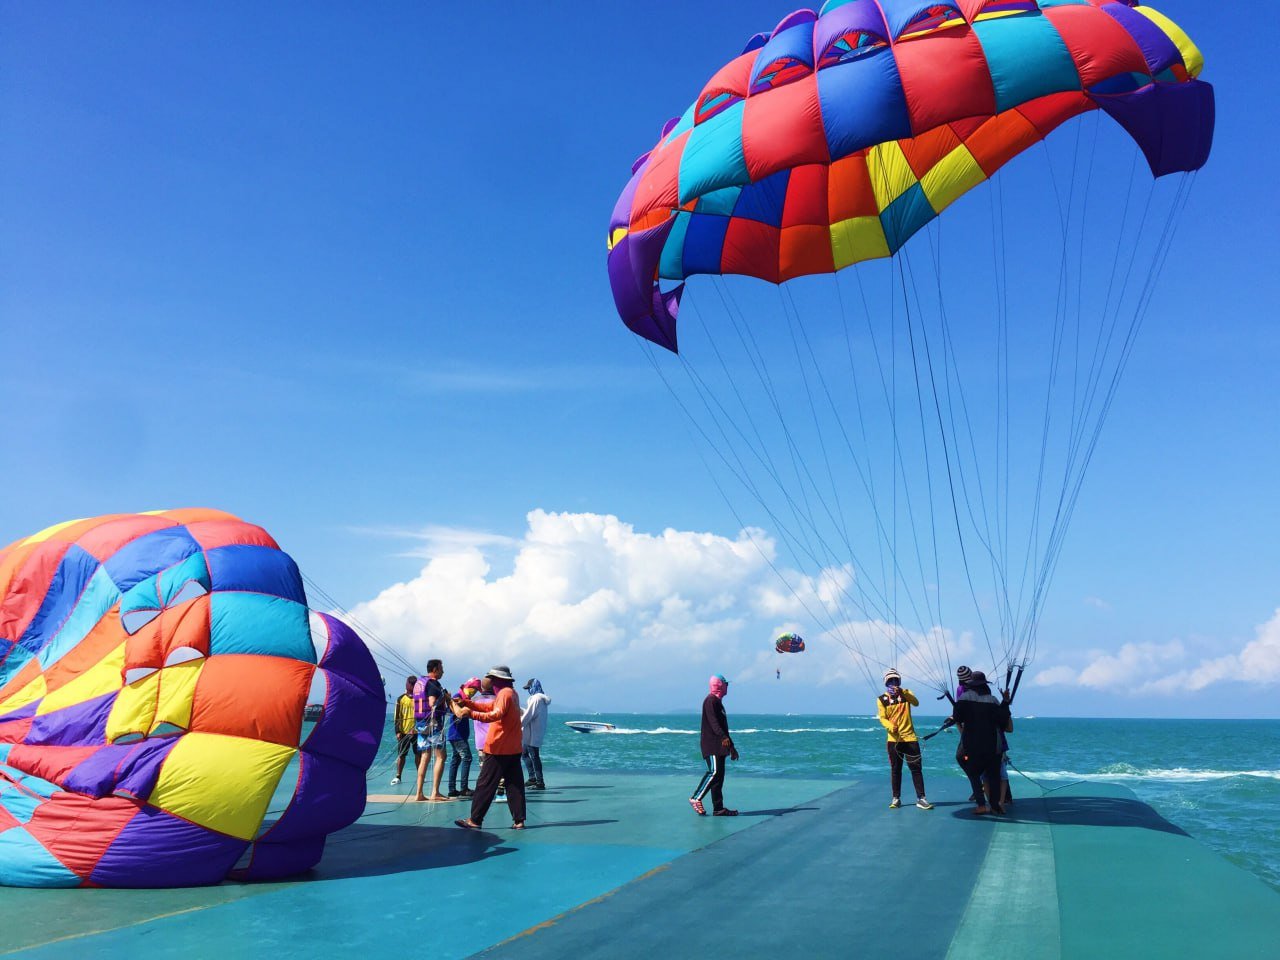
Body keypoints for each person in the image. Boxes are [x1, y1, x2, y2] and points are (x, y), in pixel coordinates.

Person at [454, 665, 526, 831]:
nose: (491, 683)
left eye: (493, 680)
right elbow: (491, 707)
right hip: (513, 747)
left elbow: (495, 714)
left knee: (485, 784)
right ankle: (519, 820)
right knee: (514, 785)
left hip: (499, 747)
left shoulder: (504, 693)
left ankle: (475, 820)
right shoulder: (512, 694)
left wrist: (470, 713)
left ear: (499, 680)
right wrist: (467, 703)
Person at [951, 671, 1013, 815]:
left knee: (973, 773)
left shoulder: (965, 698)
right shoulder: (993, 700)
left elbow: (957, 717)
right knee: (994, 775)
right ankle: (996, 805)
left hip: (973, 746)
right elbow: (1003, 720)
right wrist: (1005, 701)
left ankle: (981, 804)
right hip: (992, 746)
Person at [877, 669, 933, 810]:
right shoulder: (882, 699)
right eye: (890, 680)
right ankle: (896, 798)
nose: (893, 682)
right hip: (893, 740)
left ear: (899, 681)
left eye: (896, 680)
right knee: (896, 769)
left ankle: (921, 798)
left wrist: (904, 692)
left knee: (916, 769)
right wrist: (890, 726)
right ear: (886, 683)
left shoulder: (907, 694)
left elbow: (916, 703)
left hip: (910, 739)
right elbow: (882, 718)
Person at [690, 674, 738, 817]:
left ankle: (718, 808)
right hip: (712, 745)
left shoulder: (718, 702)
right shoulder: (710, 701)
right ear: (720, 685)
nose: (727, 687)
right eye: (726, 684)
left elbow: (724, 727)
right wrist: (723, 737)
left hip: (720, 746)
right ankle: (696, 797)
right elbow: (714, 723)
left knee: (719, 777)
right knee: (714, 772)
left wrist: (732, 747)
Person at [413, 659, 451, 802]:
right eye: (441, 668)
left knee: (424, 757)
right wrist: (445, 697)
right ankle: (435, 792)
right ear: (435, 669)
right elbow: (432, 703)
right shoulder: (433, 684)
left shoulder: (420, 683)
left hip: (421, 724)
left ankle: (419, 793)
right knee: (441, 756)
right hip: (434, 724)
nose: (443, 671)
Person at [447, 677, 480, 797]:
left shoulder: (467, 699)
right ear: (468, 686)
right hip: (457, 734)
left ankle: (452, 789)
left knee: (456, 760)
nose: (475, 691)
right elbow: (453, 711)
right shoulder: (458, 696)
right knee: (467, 758)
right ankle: (464, 788)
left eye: (477, 690)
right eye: (474, 689)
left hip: (458, 734)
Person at [521, 678, 551, 789]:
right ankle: (533, 777)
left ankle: (539, 781)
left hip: (532, 732)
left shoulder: (536, 699)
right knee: (524, 753)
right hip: (536, 730)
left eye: (529, 688)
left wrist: (517, 724)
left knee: (534, 756)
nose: (528, 690)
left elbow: (529, 715)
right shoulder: (542, 699)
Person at [391, 675, 420, 785]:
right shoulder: (401, 699)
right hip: (404, 732)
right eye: (410, 684)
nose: (410, 686)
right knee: (402, 755)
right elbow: (397, 716)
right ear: (408, 685)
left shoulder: (419, 698)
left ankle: (420, 775)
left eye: (413, 684)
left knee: (419, 754)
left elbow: (422, 714)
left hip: (417, 732)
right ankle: (398, 776)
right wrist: (397, 731)